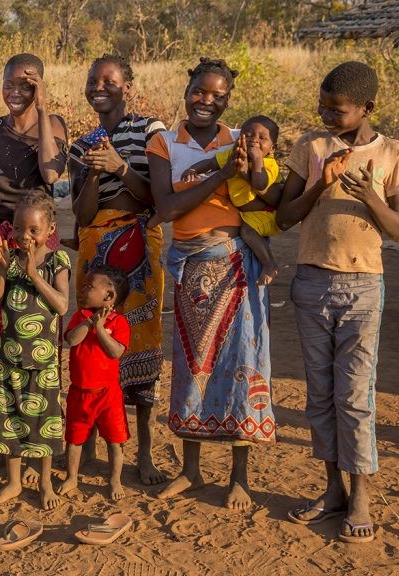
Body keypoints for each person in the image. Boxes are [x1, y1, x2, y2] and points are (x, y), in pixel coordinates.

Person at [277, 61, 399, 544]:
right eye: (323, 106)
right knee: (320, 395)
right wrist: (321, 183)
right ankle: (332, 488)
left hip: (362, 287)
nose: (327, 115)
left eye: (337, 109)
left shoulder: (393, 152)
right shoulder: (311, 147)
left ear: (367, 108)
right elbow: (284, 217)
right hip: (312, 283)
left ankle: (361, 495)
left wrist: (366, 196)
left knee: (355, 397)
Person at [145, 57, 276, 511]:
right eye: (201, 91)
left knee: (243, 365)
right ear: (187, 89)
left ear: (228, 100)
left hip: (236, 264)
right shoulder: (164, 143)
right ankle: (191, 469)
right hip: (189, 267)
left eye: (218, 96)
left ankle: (239, 477)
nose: (207, 101)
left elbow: (265, 192)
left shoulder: (243, 139)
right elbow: (167, 208)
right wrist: (221, 175)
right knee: (190, 367)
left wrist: (247, 167)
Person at [0, 53, 68, 478]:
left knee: (39, 338)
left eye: (27, 84)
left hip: (39, 238)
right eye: (9, 82)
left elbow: (50, 171)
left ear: (40, 86)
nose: (15, 91)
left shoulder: (54, 125)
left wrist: (42, 110)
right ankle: (1, 443)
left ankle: (37, 441)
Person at [69, 53, 167, 486]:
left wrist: (120, 167)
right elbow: (82, 214)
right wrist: (93, 173)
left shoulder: (150, 130)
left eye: (108, 80)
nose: (99, 87)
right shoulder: (81, 144)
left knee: (141, 348)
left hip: (140, 246)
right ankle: (86, 445)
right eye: (93, 80)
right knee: (89, 343)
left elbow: (157, 199)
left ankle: (142, 452)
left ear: (127, 85)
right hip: (94, 249)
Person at [0, 191, 71, 510]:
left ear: (50, 230)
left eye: (33, 230)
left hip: (43, 364)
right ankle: (13, 481)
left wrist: (34, 275)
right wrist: (0, 269)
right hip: (9, 360)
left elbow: (62, 305)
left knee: (43, 424)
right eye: (19, 228)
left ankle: (46, 482)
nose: (24, 236)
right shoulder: (10, 262)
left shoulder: (56, 260)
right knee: (10, 423)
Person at [178, 115, 283, 285]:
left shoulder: (268, 164)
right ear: (239, 137)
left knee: (247, 231)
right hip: (246, 212)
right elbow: (212, 163)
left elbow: (259, 183)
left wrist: (256, 159)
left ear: (272, 148)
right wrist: (193, 169)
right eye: (248, 135)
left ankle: (270, 264)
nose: (254, 141)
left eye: (262, 138)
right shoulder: (234, 154)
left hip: (265, 213)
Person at [57, 266, 131, 501]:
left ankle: (115, 479)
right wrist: (91, 323)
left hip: (108, 394)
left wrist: (100, 328)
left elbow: (115, 352)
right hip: (80, 392)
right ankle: (71, 476)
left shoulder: (119, 323)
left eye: (89, 286)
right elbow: (71, 339)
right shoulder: (81, 317)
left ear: (109, 297)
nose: (82, 289)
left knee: (115, 440)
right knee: (74, 438)